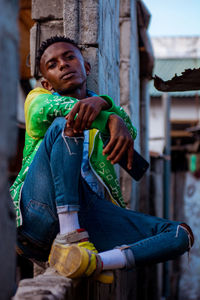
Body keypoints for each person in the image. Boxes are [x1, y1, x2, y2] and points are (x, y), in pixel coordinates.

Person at [11, 36, 194, 283]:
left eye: (69, 57)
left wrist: (105, 106)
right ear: (46, 83)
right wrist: (107, 114)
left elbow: (129, 129)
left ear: (86, 67)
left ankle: (92, 262)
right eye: (52, 64)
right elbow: (61, 109)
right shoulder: (37, 100)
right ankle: (70, 236)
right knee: (65, 124)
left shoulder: (111, 114)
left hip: (89, 216)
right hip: (37, 214)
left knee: (179, 235)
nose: (63, 65)